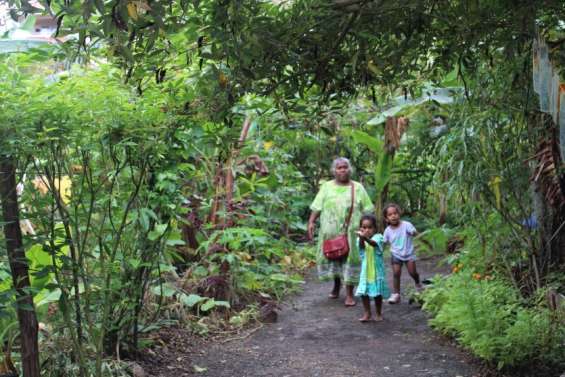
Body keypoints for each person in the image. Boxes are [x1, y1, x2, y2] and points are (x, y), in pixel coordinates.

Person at [307, 157, 374, 306]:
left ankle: (349, 294)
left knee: (349, 260)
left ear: (349, 169)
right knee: (334, 256)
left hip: (351, 233)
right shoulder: (326, 187)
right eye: (339, 167)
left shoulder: (357, 187)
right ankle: (336, 286)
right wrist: (311, 222)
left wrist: (367, 229)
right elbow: (317, 206)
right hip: (329, 233)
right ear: (334, 171)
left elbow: (368, 209)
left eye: (345, 167)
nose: (342, 170)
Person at [383, 203, 422, 304]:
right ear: (386, 218)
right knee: (396, 273)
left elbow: (415, 233)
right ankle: (396, 294)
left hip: (408, 254)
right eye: (390, 214)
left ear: (399, 214)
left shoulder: (406, 225)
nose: (393, 216)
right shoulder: (387, 231)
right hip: (396, 254)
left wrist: (414, 234)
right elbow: (383, 242)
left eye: (395, 213)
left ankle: (418, 283)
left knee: (412, 272)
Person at [355, 214, 390, 322]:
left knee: (377, 294)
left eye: (370, 227)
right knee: (364, 293)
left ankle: (378, 313)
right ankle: (367, 313)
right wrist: (362, 238)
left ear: (375, 228)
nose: (367, 230)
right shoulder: (360, 239)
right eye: (364, 227)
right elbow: (361, 248)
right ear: (360, 228)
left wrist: (364, 237)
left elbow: (374, 244)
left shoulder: (378, 237)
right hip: (366, 272)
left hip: (376, 272)